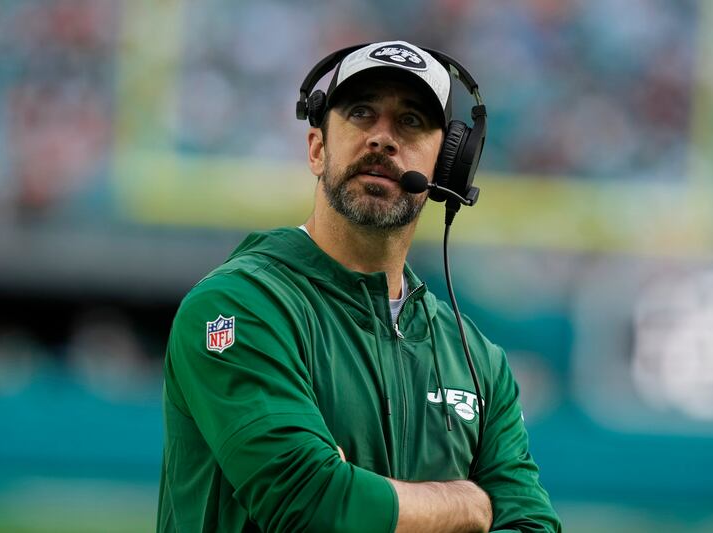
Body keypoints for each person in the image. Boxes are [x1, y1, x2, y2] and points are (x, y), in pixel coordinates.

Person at [157, 40, 561, 532]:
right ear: (317, 149)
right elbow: (310, 505)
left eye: (410, 121)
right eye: (362, 113)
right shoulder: (238, 306)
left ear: (448, 168)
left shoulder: (476, 359)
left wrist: (366, 499)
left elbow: (532, 525)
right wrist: (470, 506)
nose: (383, 139)